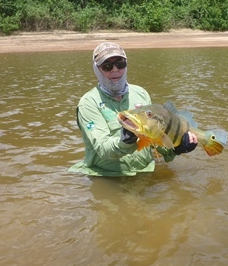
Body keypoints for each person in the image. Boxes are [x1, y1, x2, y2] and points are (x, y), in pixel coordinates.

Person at [68, 42, 198, 176]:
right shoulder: (89, 103)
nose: (114, 70)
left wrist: (176, 149)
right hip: (108, 177)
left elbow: (156, 140)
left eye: (120, 64)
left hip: (145, 174)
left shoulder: (141, 93)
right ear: (96, 69)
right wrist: (125, 139)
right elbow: (102, 149)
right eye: (107, 66)